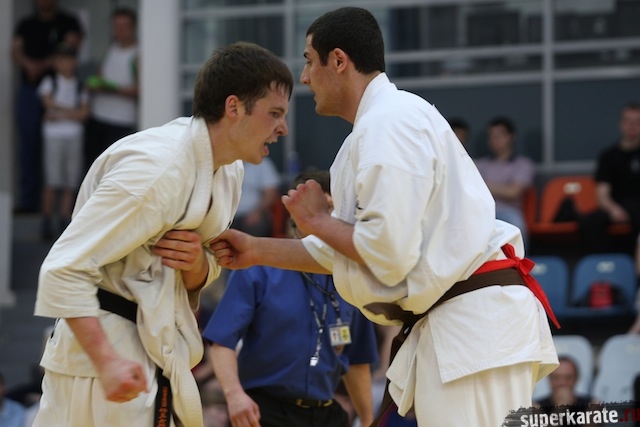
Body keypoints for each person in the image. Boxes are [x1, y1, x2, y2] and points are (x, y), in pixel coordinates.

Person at [211, 7, 558, 427]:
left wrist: (319, 221)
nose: (304, 77)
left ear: (338, 61)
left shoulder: (390, 123)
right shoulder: (371, 131)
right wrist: (256, 250)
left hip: (472, 323)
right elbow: (350, 250)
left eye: (309, 61)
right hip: (457, 324)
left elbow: (386, 252)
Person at [33, 41, 293, 427]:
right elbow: (62, 269)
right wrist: (106, 360)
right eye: (274, 113)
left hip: (155, 350)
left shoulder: (229, 170)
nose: (282, 128)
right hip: (102, 360)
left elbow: (200, 269)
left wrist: (197, 264)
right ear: (234, 107)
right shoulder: (156, 170)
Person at [204, 170, 378, 427]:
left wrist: (368, 420)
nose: (327, 218)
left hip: (324, 412)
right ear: (293, 216)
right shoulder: (258, 266)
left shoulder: (350, 275)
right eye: (321, 208)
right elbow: (221, 340)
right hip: (266, 410)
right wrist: (234, 395)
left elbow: (356, 361)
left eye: (333, 210)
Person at [11, 0, 83, 213]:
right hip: (31, 88)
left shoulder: (68, 22)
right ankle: (30, 202)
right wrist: (28, 65)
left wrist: (43, 65)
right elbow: (15, 50)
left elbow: (72, 46)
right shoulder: (26, 23)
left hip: (64, 107)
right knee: (29, 145)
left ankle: (66, 213)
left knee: (69, 169)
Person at [37, 42, 90, 239]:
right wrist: (72, 113)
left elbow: (84, 113)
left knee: (70, 179)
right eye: (60, 60)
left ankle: (64, 218)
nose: (64, 64)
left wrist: (59, 113)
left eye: (67, 59)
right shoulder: (50, 81)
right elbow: (46, 102)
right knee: (52, 179)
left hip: (73, 135)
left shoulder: (79, 85)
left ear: (74, 62)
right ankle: (46, 220)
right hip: (53, 135)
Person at [578, 102, 640, 253]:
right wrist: (614, 210)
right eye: (628, 121)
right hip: (617, 205)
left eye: (637, 122)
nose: (632, 126)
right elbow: (602, 193)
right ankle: (605, 261)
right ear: (621, 124)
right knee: (589, 222)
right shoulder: (608, 156)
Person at [84, 6, 139, 170]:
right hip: (98, 115)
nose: (119, 31)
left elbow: (139, 90)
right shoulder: (110, 48)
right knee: (94, 167)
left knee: (116, 168)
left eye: (124, 26)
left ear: (133, 27)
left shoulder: (138, 53)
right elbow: (100, 76)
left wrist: (112, 89)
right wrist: (94, 85)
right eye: (116, 26)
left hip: (122, 119)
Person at [475, 116, 535, 247]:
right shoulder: (480, 165)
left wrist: (486, 186)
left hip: (509, 211)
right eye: (491, 136)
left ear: (511, 137)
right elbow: (472, 190)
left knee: (517, 225)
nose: (495, 140)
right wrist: (501, 188)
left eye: (499, 135)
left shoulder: (523, 164)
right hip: (482, 211)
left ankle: (520, 259)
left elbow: (514, 192)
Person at [231, 157, 281, 236]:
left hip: (255, 213)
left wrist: (258, 212)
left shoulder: (262, 163)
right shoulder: (224, 164)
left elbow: (270, 193)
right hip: (226, 215)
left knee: (257, 226)